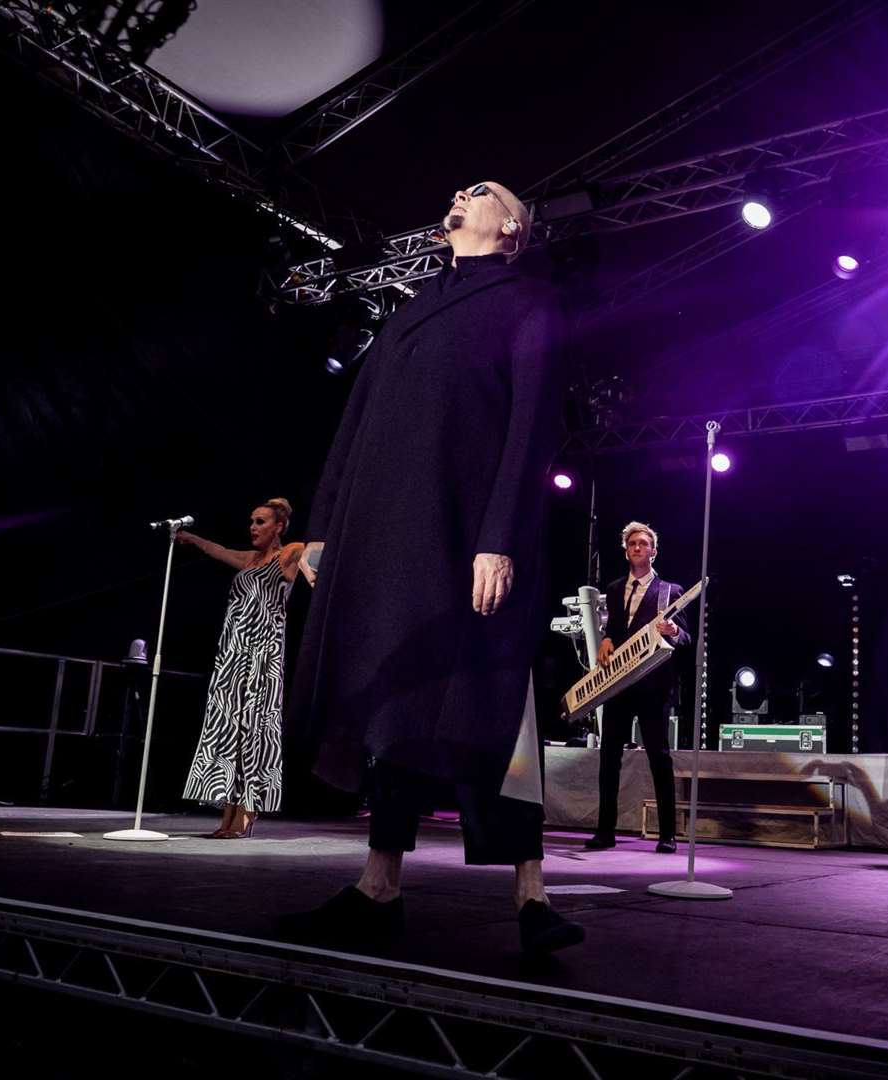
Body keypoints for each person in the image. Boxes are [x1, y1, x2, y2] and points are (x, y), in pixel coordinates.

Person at [280, 180, 583, 954]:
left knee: (496, 707)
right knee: (395, 709)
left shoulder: (529, 303)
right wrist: (322, 528)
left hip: (467, 536)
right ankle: (378, 886)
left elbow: (531, 429)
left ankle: (531, 894)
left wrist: (500, 538)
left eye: (481, 191)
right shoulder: (415, 306)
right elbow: (358, 420)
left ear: (512, 226)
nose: (460, 192)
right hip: (386, 539)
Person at [176, 500, 305, 838]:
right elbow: (218, 550)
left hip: (263, 658)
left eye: (260, 521)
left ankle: (248, 809)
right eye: (251, 520)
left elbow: (313, 551)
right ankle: (228, 811)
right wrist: (193, 539)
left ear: (277, 527)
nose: (252, 526)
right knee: (228, 730)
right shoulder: (249, 559)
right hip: (232, 658)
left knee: (255, 731)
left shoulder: (288, 552)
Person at [585, 521, 690, 853]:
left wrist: (673, 630)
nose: (637, 548)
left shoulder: (670, 591)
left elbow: (688, 638)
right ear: (626, 550)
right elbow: (616, 628)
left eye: (643, 543)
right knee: (609, 757)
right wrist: (606, 640)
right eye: (632, 544)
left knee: (659, 757)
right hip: (619, 684)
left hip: (654, 686)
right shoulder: (615, 589)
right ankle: (605, 832)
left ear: (653, 551)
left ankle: (667, 835)